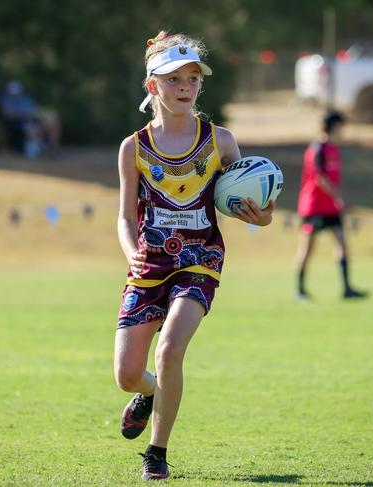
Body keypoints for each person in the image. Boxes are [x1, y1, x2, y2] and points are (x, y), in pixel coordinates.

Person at [114, 31, 274, 481]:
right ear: (152, 86)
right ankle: (148, 394)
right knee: (128, 375)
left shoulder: (221, 141)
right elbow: (125, 218)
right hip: (149, 264)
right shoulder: (133, 148)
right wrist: (133, 256)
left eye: (192, 78)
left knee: (169, 351)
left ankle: (156, 453)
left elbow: (248, 207)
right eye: (173, 79)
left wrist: (260, 217)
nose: (185, 87)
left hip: (200, 259)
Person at [294, 111, 367, 300]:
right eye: (342, 126)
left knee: (342, 244)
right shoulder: (318, 148)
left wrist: (336, 200)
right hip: (314, 206)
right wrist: (339, 197)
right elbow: (319, 177)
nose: (343, 131)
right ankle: (300, 290)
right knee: (307, 248)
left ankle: (347, 289)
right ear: (334, 126)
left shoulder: (334, 149)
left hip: (331, 208)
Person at [0, 80, 61, 157]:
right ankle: (43, 150)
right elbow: (8, 114)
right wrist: (25, 114)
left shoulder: (26, 98)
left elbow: (35, 109)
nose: (15, 94)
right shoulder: (7, 100)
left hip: (33, 120)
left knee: (52, 121)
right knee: (33, 129)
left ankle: (53, 147)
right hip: (20, 124)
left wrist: (40, 115)